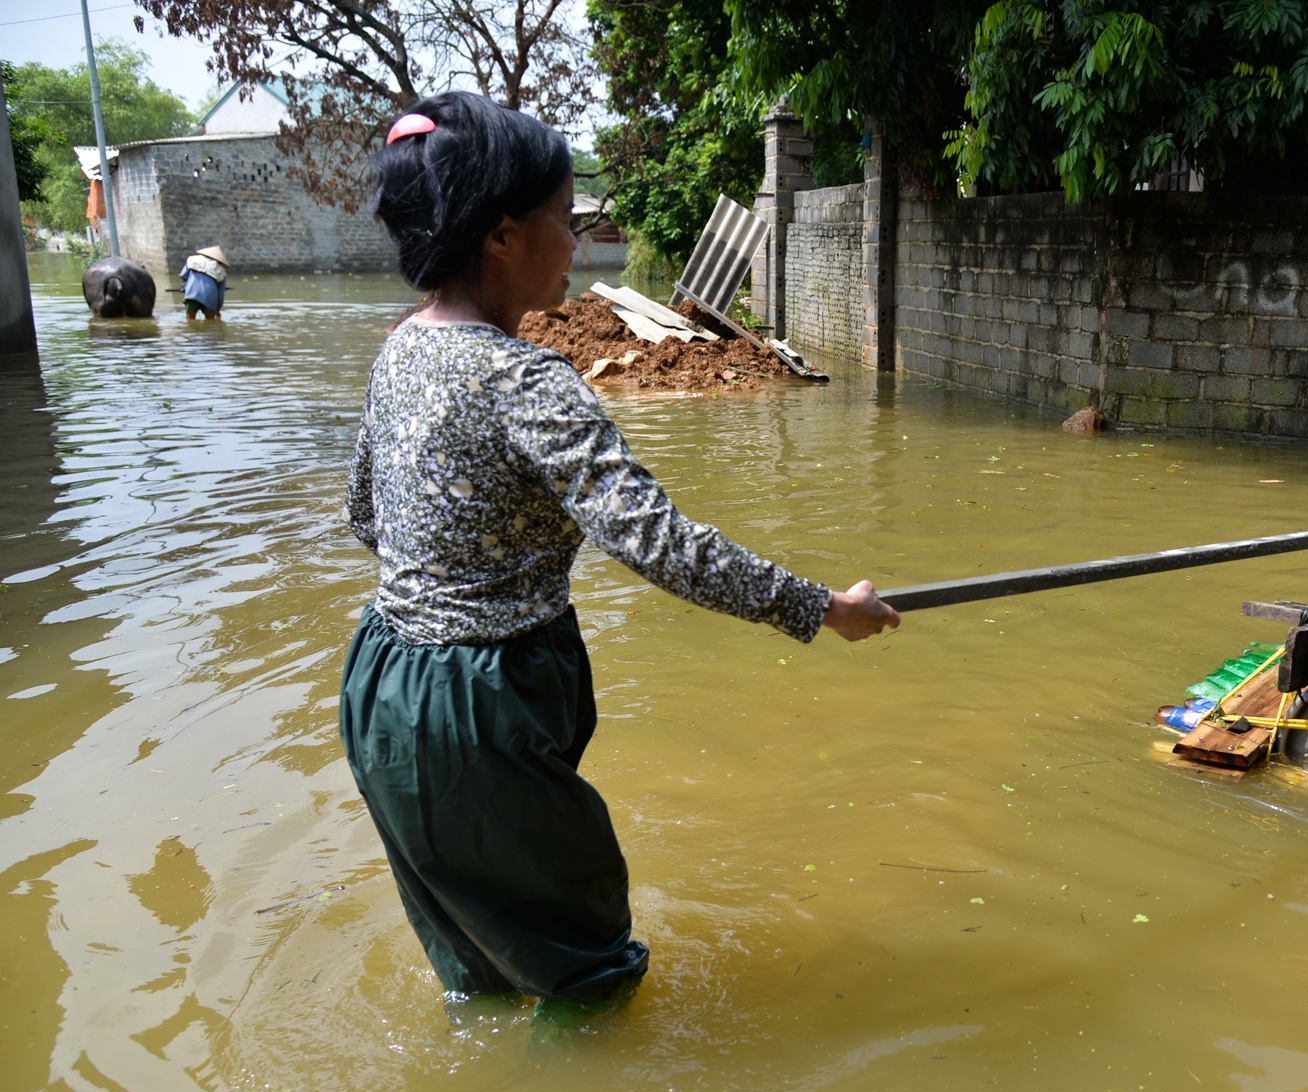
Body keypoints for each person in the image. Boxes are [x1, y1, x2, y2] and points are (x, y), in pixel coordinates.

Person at [339, 92, 899, 1008]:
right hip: (482, 708)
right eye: (567, 218)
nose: (582, 238)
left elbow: (367, 515)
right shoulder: (525, 379)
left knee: (479, 964)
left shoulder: (401, 351)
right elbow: (662, 545)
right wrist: (821, 608)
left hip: (384, 691)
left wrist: (470, 554)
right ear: (503, 237)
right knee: (586, 973)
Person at [180, 245, 229, 319]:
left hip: (192, 294)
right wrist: (217, 310)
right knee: (210, 322)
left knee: (190, 320)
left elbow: (183, 275)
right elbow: (220, 294)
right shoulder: (220, 270)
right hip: (210, 297)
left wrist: (186, 286)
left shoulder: (192, 260)